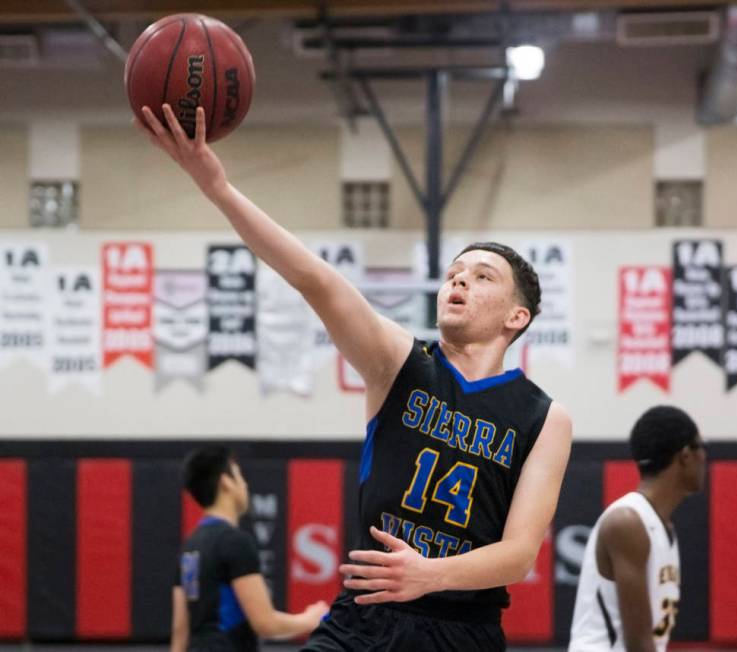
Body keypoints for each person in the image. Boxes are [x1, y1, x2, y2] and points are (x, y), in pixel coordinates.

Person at [138, 105, 572, 652]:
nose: (459, 281)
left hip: (461, 631)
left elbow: (520, 553)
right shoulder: (402, 363)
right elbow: (314, 279)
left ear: (517, 317)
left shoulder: (544, 417)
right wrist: (217, 185)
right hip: (362, 620)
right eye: (454, 274)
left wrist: (431, 574)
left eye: (482, 277)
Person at [568, 406, 707, 652]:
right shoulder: (628, 522)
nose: (705, 457)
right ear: (685, 455)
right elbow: (638, 645)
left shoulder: (661, 526)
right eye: (702, 447)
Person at [171, 445, 327, 652]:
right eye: (239, 476)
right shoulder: (234, 541)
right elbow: (265, 623)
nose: (244, 485)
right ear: (226, 482)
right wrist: (310, 620)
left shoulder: (189, 547)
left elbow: (180, 631)